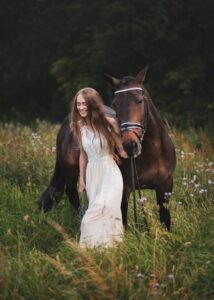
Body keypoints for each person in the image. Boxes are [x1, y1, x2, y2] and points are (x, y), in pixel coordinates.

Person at [70, 87, 127, 248]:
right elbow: (83, 154)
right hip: (92, 176)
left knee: (94, 215)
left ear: (93, 104)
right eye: (78, 104)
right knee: (102, 216)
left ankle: (91, 248)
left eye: (84, 104)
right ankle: (103, 253)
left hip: (110, 173)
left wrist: (131, 149)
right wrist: (81, 179)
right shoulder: (80, 127)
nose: (80, 107)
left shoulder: (110, 124)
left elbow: (122, 151)